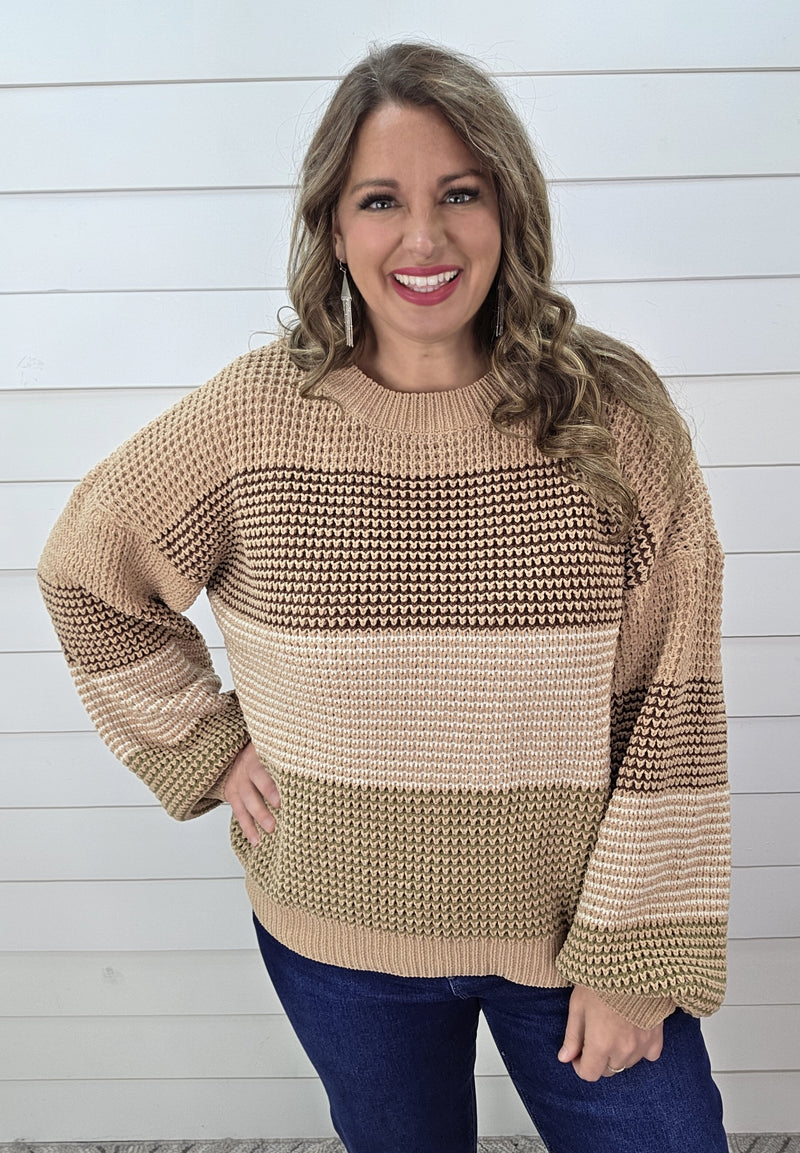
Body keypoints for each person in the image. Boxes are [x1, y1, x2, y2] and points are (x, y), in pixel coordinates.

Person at [38, 41, 730, 1153]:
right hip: (336, 941)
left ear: (509, 208)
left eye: (460, 193)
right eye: (380, 200)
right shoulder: (251, 420)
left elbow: (674, 704)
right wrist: (205, 744)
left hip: (576, 942)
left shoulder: (610, 419)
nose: (423, 237)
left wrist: (635, 953)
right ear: (331, 226)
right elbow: (86, 572)